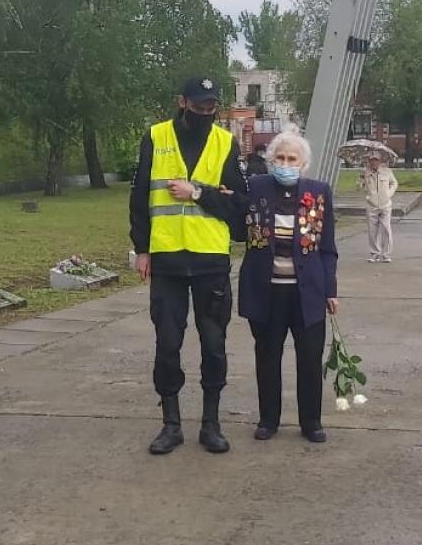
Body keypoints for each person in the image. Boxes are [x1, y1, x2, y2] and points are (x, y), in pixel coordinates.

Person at [129, 76, 247, 456]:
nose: (205, 113)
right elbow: (138, 196)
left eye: (211, 107)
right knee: (167, 345)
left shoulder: (225, 142)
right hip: (166, 262)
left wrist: (197, 193)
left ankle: (211, 424)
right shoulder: (156, 137)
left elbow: (237, 204)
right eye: (198, 107)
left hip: (210, 260)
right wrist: (142, 249)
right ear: (182, 102)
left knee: (214, 346)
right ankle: (171, 424)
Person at [238, 126, 339, 443]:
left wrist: (330, 290)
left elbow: (327, 248)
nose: (285, 163)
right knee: (267, 356)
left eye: (291, 158)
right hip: (266, 289)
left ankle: (311, 422)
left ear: (303, 163)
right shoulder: (256, 187)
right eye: (279, 157)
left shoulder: (319, 192)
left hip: (306, 291)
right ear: (270, 160)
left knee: (309, 358)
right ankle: (269, 419)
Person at [358, 153, 398, 263]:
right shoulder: (366, 172)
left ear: (380, 161)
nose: (373, 162)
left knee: (386, 229)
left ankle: (386, 254)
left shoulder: (387, 171)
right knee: (372, 230)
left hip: (385, 205)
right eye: (371, 160)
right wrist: (361, 179)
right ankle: (374, 253)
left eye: (376, 160)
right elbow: (359, 187)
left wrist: (388, 194)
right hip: (372, 205)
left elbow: (394, 183)